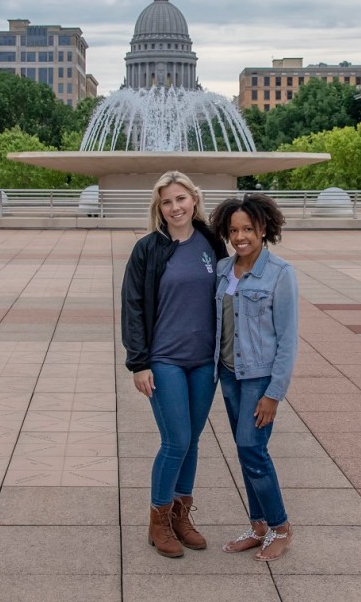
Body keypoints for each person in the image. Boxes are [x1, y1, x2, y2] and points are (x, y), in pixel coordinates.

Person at [121, 171, 228, 559]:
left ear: (194, 201)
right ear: (159, 208)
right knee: (176, 440)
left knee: (193, 441)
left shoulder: (213, 243)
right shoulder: (148, 249)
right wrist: (139, 363)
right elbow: (132, 307)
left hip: (204, 362)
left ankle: (182, 516)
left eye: (181, 199)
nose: (175, 207)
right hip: (163, 359)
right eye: (167, 202)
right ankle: (159, 521)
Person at [209, 193, 298, 562]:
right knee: (246, 452)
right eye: (234, 230)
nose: (240, 236)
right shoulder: (223, 270)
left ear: (264, 228)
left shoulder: (280, 273)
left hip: (259, 379)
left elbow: (288, 340)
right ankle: (258, 525)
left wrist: (274, 393)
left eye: (248, 228)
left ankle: (280, 527)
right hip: (229, 375)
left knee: (252, 449)